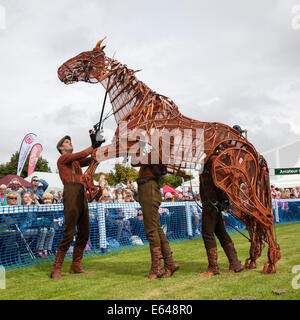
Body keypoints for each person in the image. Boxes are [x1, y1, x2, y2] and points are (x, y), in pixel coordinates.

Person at [50, 133, 102, 279]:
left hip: (81, 194)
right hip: (71, 193)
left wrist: (97, 146)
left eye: (70, 141)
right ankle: (56, 268)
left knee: (85, 231)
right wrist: (93, 146)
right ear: (61, 148)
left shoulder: (77, 162)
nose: (70, 143)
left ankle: (76, 265)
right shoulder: (63, 158)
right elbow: (83, 153)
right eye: (67, 142)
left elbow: (93, 159)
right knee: (69, 231)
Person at [199, 156, 243, 276]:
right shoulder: (214, 160)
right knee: (221, 232)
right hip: (213, 202)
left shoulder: (213, 160)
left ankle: (213, 267)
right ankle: (235, 263)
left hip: (211, 202)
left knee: (207, 233)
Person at [136, 163, 179, 279]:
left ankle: (157, 268)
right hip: (149, 186)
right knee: (156, 227)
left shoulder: (155, 151)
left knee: (151, 229)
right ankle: (169, 263)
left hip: (148, 187)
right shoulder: (156, 151)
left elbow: (134, 161)